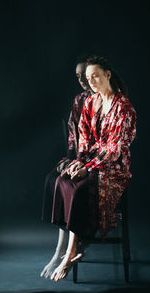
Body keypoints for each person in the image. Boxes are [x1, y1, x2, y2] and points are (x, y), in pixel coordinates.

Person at [47, 55, 136, 282]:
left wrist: (89, 168)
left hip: (113, 168)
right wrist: (80, 163)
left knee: (80, 188)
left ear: (108, 74)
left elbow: (115, 148)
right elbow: (84, 139)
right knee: (62, 180)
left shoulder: (123, 106)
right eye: (88, 77)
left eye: (96, 75)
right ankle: (76, 246)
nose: (92, 81)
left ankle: (70, 253)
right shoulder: (90, 102)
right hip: (92, 162)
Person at [40, 55, 94, 279]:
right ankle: (60, 248)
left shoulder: (108, 100)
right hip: (79, 156)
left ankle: (71, 247)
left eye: (86, 75)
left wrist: (86, 162)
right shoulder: (79, 99)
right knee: (53, 179)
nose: (82, 80)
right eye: (78, 76)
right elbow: (73, 134)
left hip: (96, 160)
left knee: (72, 186)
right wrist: (74, 159)